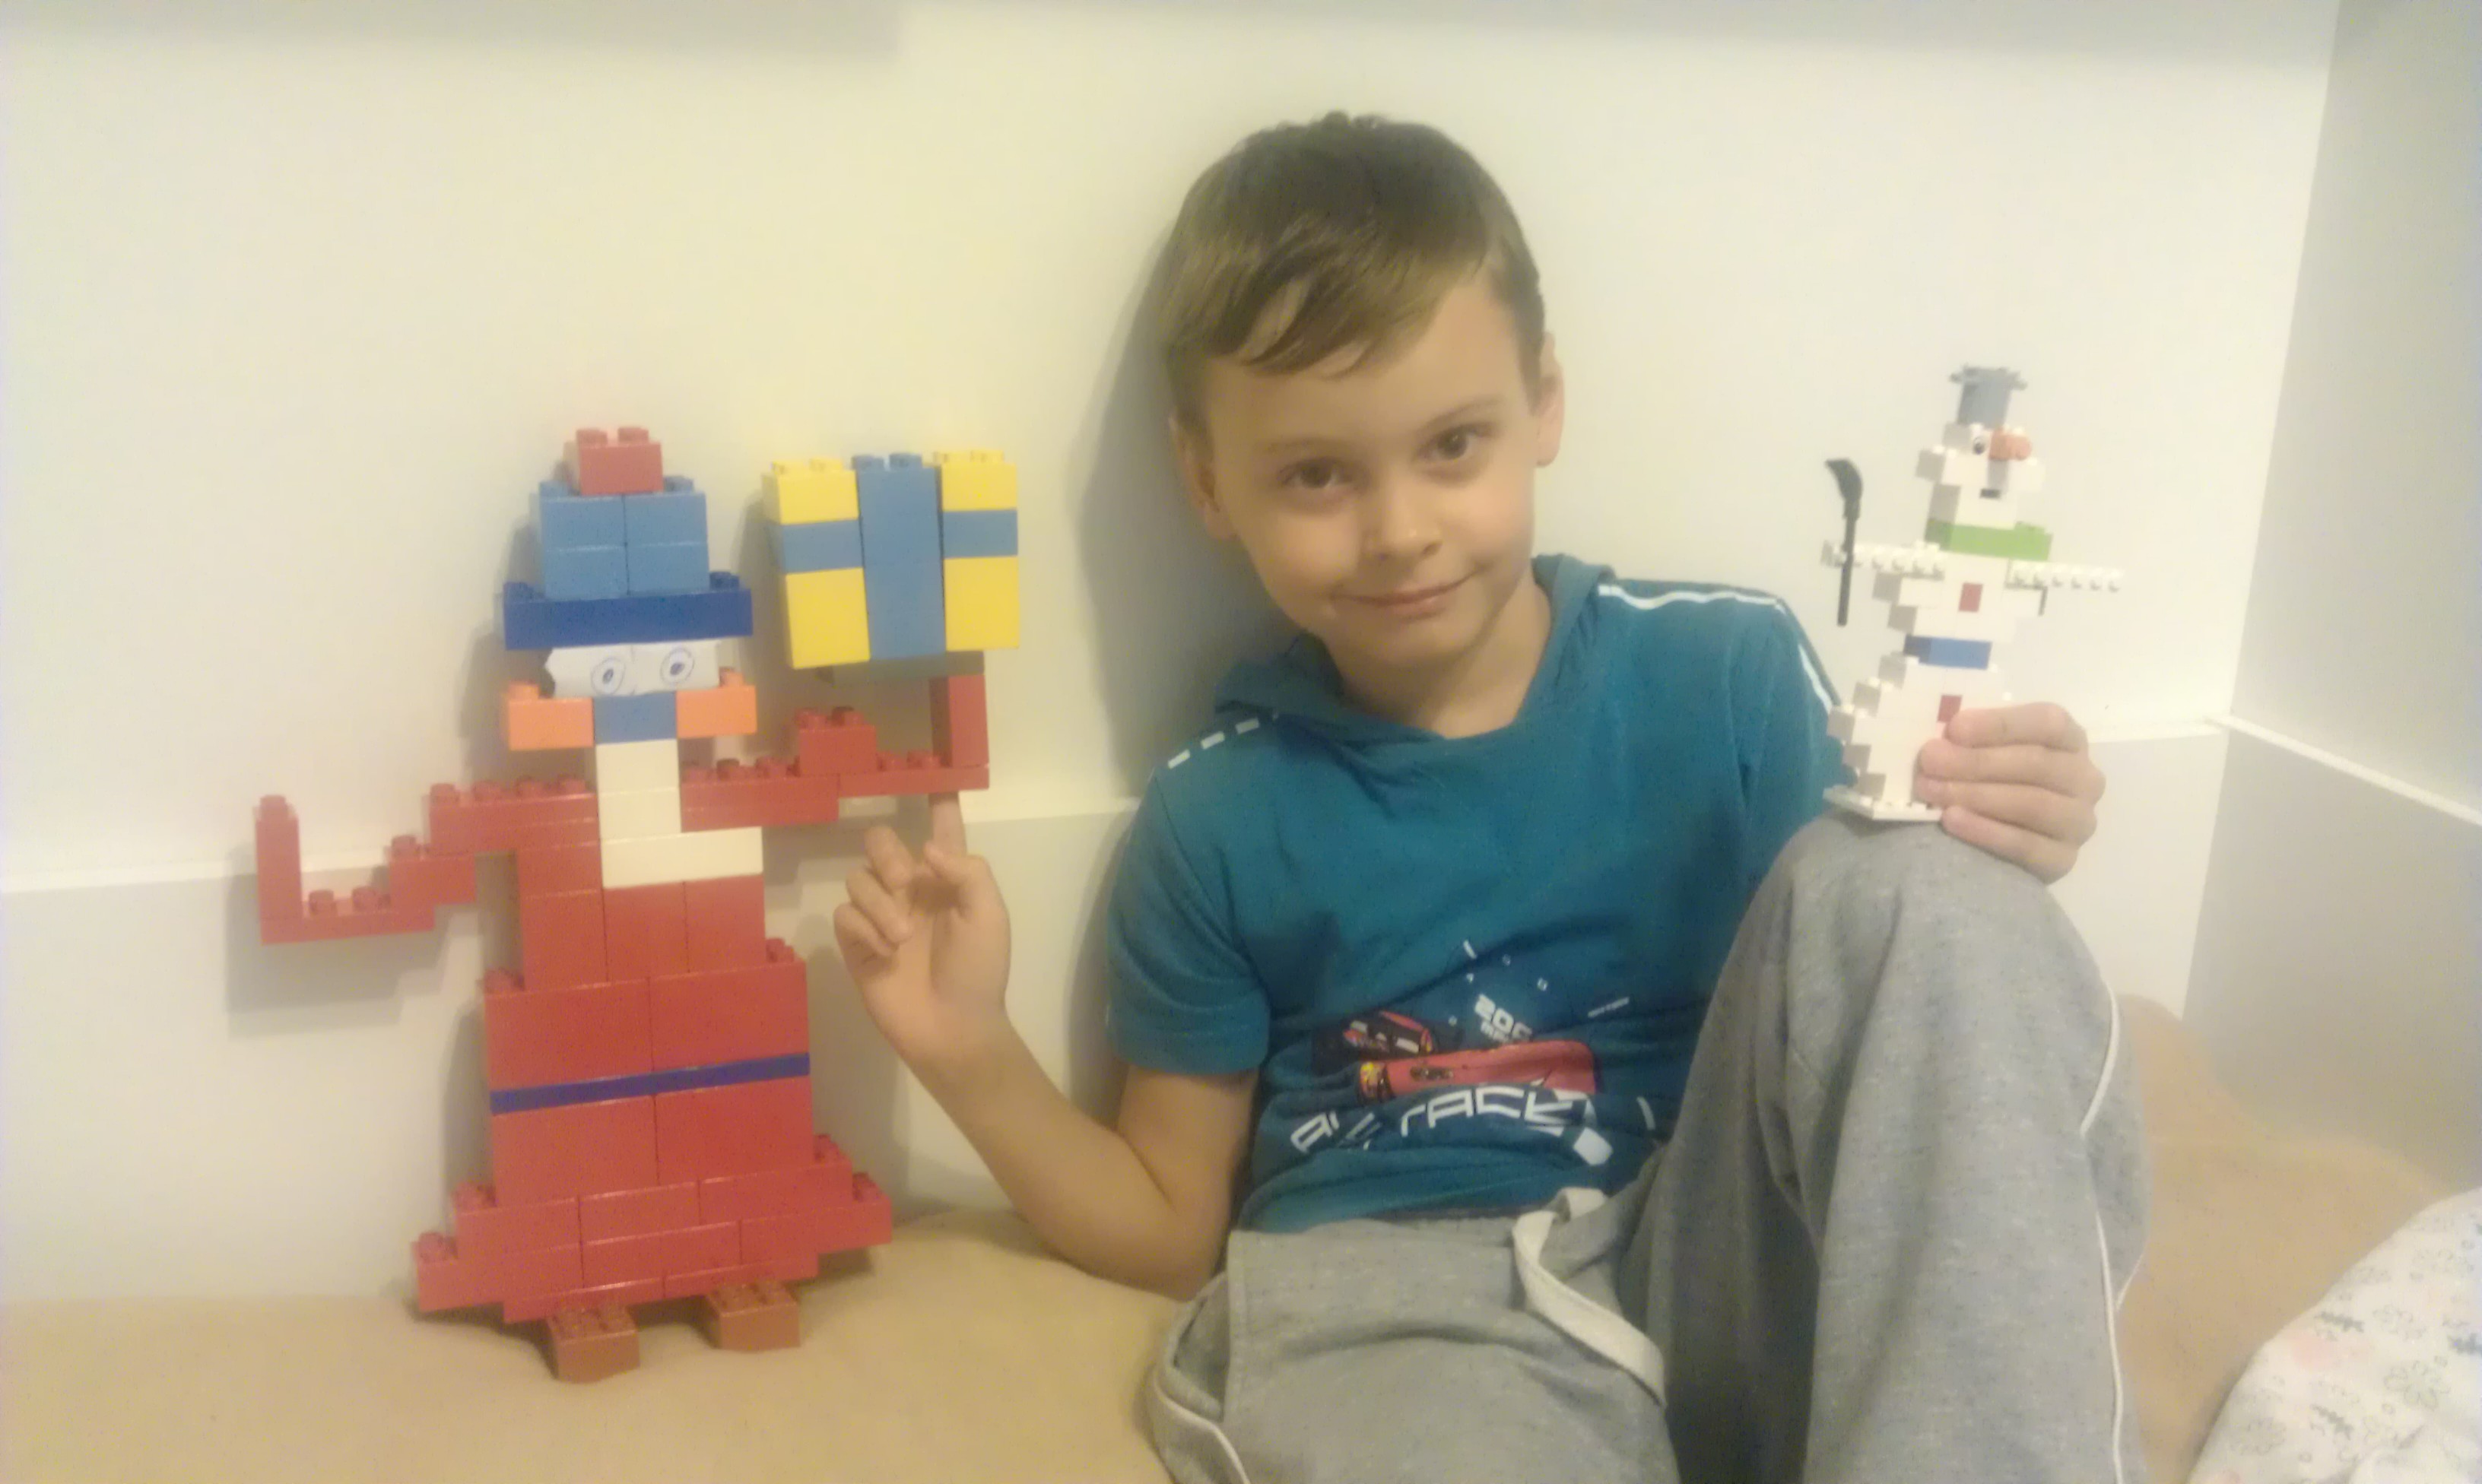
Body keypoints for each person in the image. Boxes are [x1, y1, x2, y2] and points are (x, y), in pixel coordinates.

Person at [832, 113, 2147, 1484]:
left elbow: (1881, 991)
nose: (1399, 530)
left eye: (1452, 445)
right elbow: (1170, 1227)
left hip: (1707, 1251)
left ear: (1544, 403)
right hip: (1407, 1310)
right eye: (1318, 475)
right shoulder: (1213, 815)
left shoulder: (1726, 674)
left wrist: (1999, 824)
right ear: (1208, 481)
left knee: (1922, 881)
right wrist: (969, 1052)